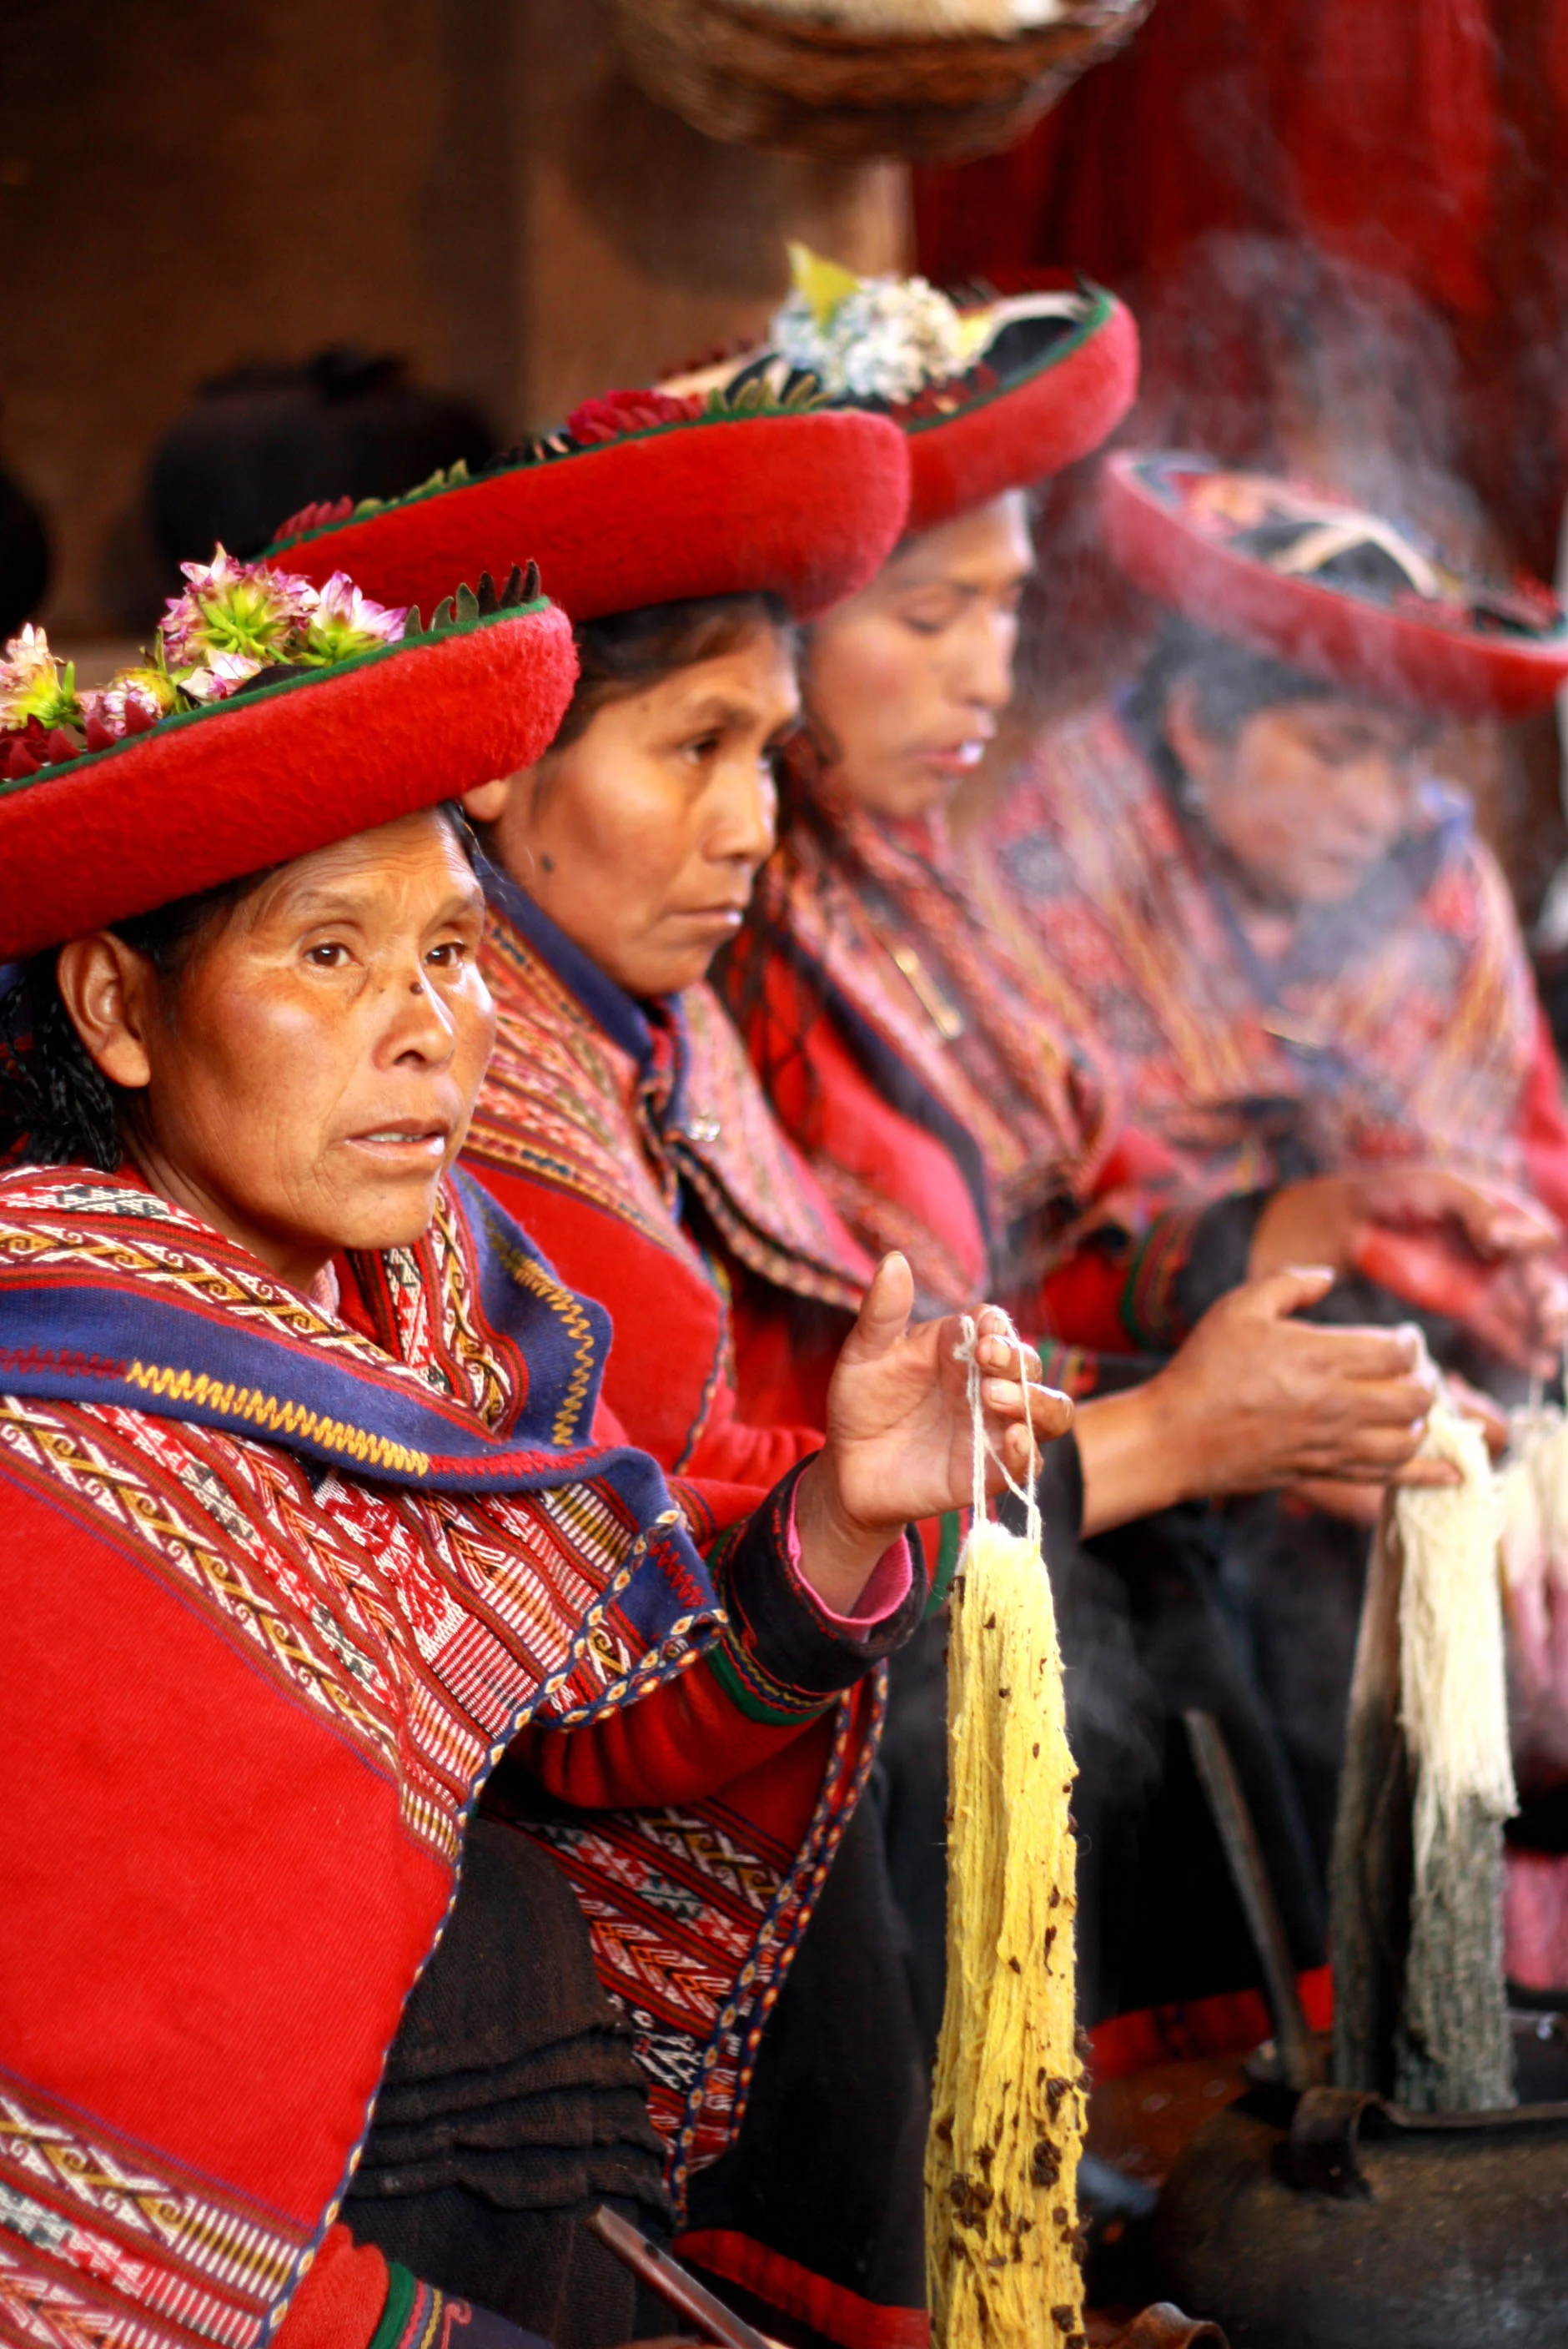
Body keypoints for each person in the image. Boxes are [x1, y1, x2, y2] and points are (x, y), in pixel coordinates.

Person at [0, 557, 1062, 2349]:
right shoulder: (64, 1441)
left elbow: (591, 1728)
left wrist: (836, 1503)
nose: (427, 1030)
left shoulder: (443, 1303)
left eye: (450, 954)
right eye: (329, 953)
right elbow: (81, 2197)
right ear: (115, 1008)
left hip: (515, 2210)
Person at [698, 255, 1567, 2028]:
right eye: (924, 617)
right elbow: (865, 1360)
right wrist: (1209, 1419)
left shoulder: (900, 883)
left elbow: (1061, 1216)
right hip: (866, 1599)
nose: (982, 678)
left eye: (1004, 614)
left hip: (1051, 1496)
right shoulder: (752, 920)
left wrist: (1291, 1233)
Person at [978, 451, 1568, 1247]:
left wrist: (1526, 1274)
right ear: (1197, 729)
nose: (1379, 810)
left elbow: (1540, 1178)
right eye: (1335, 750)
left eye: (1407, 759)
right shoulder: (1052, 859)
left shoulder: (1444, 889)